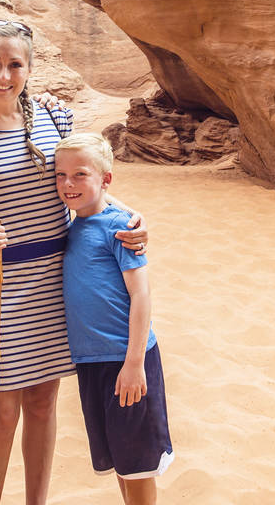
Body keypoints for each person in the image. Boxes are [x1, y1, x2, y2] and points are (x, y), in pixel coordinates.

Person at [0, 20, 147, 504]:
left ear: (29, 69)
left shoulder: (56, 122)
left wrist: (132, 216)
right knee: (1, 410)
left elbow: (88, 186)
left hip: (55, 280)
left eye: (14, 65)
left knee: (44, 403)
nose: (3, 75)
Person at [54, 133, 172, 505]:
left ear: (105, 179)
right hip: (92, 364)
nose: (68, 184)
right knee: (121, 462)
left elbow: (141, 294)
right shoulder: (72, 229)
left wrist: (134, 362)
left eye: (79, 174)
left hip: (127, 360)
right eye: (60, 175)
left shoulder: (120, 229)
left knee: (138, 466)